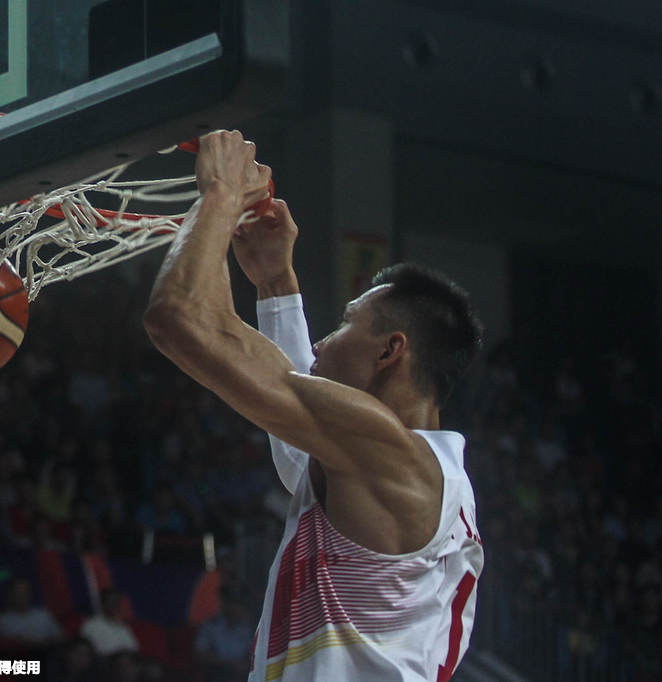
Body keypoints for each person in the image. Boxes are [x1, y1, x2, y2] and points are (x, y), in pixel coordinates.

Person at [143, 131, 484, 680]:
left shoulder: (390, 457)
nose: (323, 341)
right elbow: (300, 430)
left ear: (391, 350)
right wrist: (276, 282)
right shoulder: (393, 472)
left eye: (345, 323)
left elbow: (180, 318)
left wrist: (223, 192)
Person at [0, 577, 64, 646]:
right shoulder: (3, 620)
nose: (23, 595)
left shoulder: (44, 615)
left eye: (26, 591)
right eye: (19, 592)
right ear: (10, 595)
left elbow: (60, 637)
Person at [80, 588, 139, 658]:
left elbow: (134, 649)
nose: (115, 606)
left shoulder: (123, 627)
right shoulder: (91, 625)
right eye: (111, 602)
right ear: (103, 604)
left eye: (117, 602)